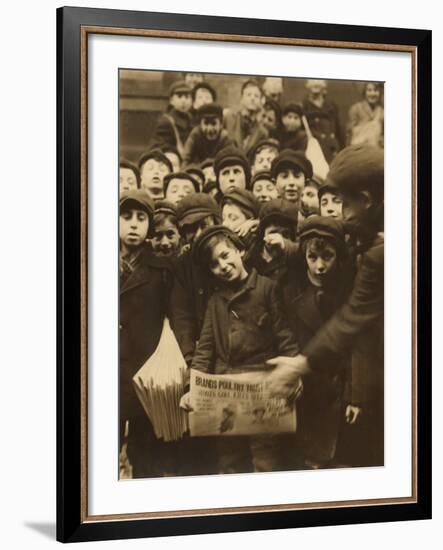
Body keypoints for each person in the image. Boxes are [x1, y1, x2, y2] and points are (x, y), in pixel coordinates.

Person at [266, 145, 384, 467]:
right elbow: (329, 240)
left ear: (367, 199)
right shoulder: (376, 239)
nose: (341, 213)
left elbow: (352, 317)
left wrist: (299, 364)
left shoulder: (379, 252)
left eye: (344, 203)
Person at [182, 225, 299, 473]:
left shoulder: (267, 288)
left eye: (225, 256)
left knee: (266, 459)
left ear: (241, 250)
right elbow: (204, 351)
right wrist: (192, 389)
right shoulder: (215, 301)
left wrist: (293, 372)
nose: (222, 266)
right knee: (229, 460)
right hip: (224, 395)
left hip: (262, 389)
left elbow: (284, 336)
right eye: (214, 264)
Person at [280, 216, 354, 468]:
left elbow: (356, 346)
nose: (320, 266)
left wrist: (353, 391)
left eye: (328, 257)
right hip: (304, 388)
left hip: (338, 386)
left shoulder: (349, 292)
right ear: (303, 256)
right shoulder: (289, 291)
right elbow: (285, 334)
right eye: (313, 258)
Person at [119, 189, 174, 478]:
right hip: (107, 374)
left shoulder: (162, 270)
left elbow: (175, 318)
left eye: (141, 218)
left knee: (145, 459)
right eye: (126, 216)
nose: (133, 224)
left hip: (147, 374)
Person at [244, 198, 298, 282]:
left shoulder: (296, 260)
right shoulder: (250, 258)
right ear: (262, 233)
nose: (279, 238)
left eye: (285, 234)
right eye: (273, 232)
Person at [302, 79, 343, 163]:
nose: (316, 83)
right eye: (312, 81)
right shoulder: (304, 106)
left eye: (319, 81)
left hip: (332, 149)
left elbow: (338, 130)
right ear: (307, 84)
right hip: (315, 150)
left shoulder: (331, 106)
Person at [224, 79, 268, 154]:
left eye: (256, 96)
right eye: (248, 95)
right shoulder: (229, 118)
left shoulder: (262, 132)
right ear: (242, 98)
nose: (252, 98)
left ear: (261, 101)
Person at [150, 80, 193, 156]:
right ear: (171, 100)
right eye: (179, 97)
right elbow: (159, 148)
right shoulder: (166, 122)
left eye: (187, 97)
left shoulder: (192, 120)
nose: (183, 101)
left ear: (192, 101)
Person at [347, 82, 384, 148]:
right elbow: (349, 134)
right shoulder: (356, 109)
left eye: (376, 90)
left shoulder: (382, 111)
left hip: (377, 150)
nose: (372, 94)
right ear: (364, 92)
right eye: (369, 90)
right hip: (360, 149)